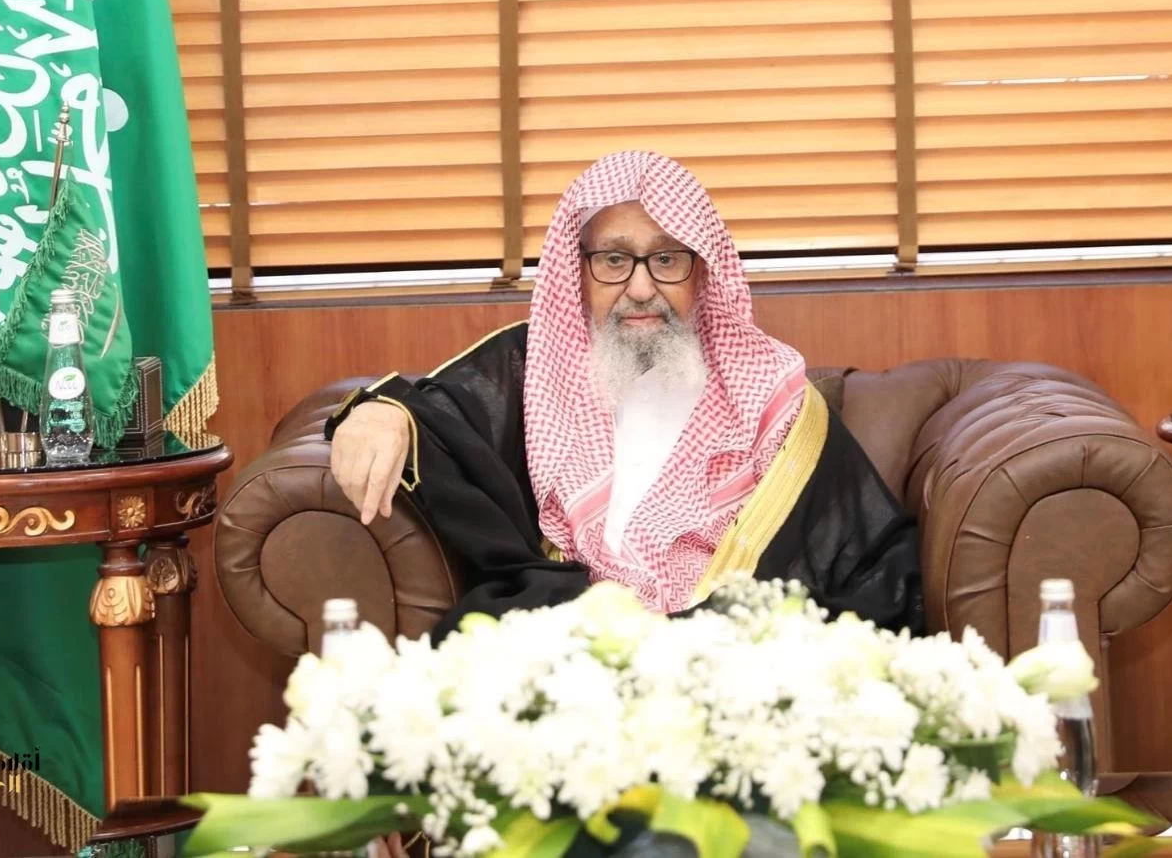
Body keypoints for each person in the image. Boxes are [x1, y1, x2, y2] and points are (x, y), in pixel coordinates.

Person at [336, 149, 925, 858]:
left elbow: (863, 555)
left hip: (724, 679)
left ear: (701, 271)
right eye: (614, 260)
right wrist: (381, 414)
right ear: (578, 270)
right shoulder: (536, 367)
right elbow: (439, 411)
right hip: (573, 662)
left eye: (666, 259)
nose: (640, 287)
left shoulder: (772, 401)